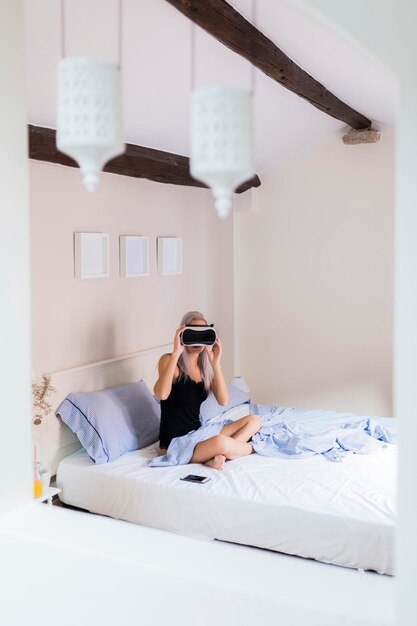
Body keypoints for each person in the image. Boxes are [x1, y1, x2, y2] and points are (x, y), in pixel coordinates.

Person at [153, 311, 261, 471]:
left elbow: (223, 400)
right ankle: (245, 449)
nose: (197, 340)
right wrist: (177, 352)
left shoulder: (204, 369)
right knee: (221, 442)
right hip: (176, 443)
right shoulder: (170, 361)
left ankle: (221, 455)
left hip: (198, 433)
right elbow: (161, 394)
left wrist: (215, 363)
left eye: (202, 333)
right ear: (183, 334)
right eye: (192, 333)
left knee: (254, 420)